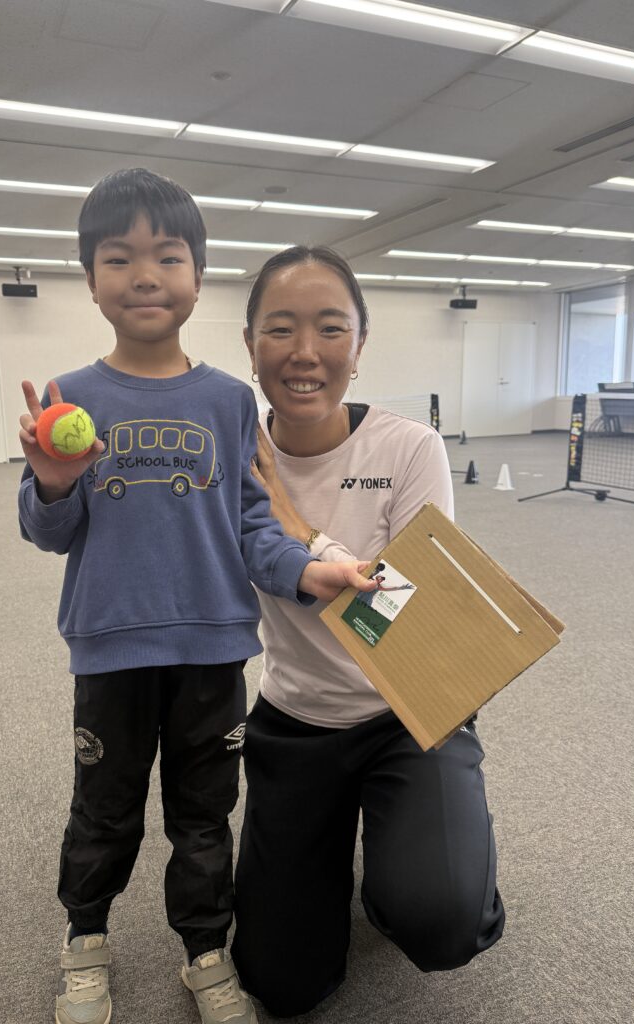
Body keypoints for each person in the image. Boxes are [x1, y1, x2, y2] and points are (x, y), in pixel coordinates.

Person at [17, 173, 374, 1024]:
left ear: (199, 276)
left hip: (214, 654)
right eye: (119, 258)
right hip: (112, 647)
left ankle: (205, 950)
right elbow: (47, 531)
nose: (145, 275)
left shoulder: (226, 400)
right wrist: (54, 482)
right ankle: (85, 941)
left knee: (206, 816)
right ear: (90, 278)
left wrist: (305, 570)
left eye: (167, 256)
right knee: (103, 812)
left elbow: (251, 523)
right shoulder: (69, 396)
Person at [231, 246, 505, 1017]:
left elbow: (407, 617)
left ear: (359, 345)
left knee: (439, 918)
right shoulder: (234, 458)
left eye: (330, 328)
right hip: (296, 718)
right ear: (250, 345)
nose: (305, 352)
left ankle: (418, 861)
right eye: (280, 329)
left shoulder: (409, 448)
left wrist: (297, 531)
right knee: (280, 984)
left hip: (408, 712)